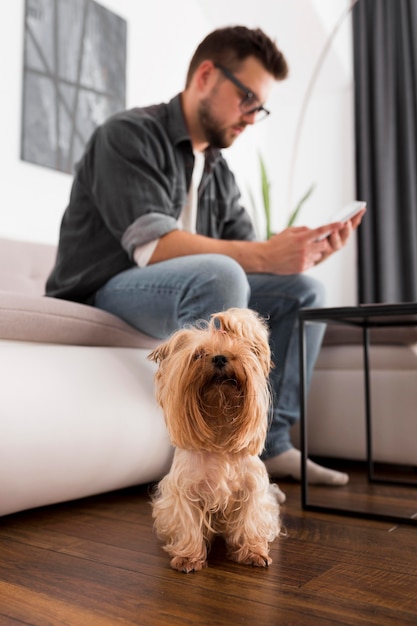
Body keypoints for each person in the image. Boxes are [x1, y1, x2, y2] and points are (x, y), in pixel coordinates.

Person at [46, 26, 365, 498]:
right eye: (247, 100)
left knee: (305, 292)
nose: (253, 118)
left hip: (174, 288)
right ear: (206, 76)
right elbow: (149, 247)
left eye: (261, 107)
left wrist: (300, 254)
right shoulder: (128, 136)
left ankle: (271, 444)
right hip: (103, 288)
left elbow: (252, 262)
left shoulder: (218, 170)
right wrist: (261, 254)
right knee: (220, 274)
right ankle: (211, 459)